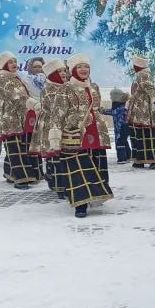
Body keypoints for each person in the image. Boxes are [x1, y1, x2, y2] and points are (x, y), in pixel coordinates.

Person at [49, 55, 113, 218]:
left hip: (96, 132)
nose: (84, 70)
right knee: (78, 169)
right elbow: (57, 113)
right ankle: (81, 204)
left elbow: (97, 108)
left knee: (96, 165)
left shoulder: (94, 86)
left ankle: (96, 195)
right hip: (75, 133)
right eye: (80, 67)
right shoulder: (66, 88)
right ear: (72, 70)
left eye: (86, 66)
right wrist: (55, 134)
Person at [0, 52, 41, 190]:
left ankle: (10, 174)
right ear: (4, 65)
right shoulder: (2, 78)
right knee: (15, 147)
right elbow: (16, 96)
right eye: (10, 62)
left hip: (20, 117)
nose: (14, 64)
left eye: (15, 61)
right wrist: (33, 103)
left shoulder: (16, 77)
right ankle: (21, 178)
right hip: (10, 118)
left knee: (19, 146)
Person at [29, 61, 69, 197]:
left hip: (64, 124)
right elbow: (55, 109)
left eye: (64, 70)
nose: (63, 73)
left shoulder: (67, 86)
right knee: (54, 154)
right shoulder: (49, 89)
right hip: (51, 125)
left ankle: (56, 179)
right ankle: (58, 185)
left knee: (62, 155)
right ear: (52, 74)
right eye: (59, 71)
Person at [108, 88, 132, 165]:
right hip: (124, 127)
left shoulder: (120, 106)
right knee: (124, 141)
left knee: (119, 142)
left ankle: (122, 158)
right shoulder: (123, 104)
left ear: (116, 97)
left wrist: (101, 111)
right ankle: (128, 156)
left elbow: (113, 112)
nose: (110, 98)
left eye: (111, 96)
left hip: (121, 127)